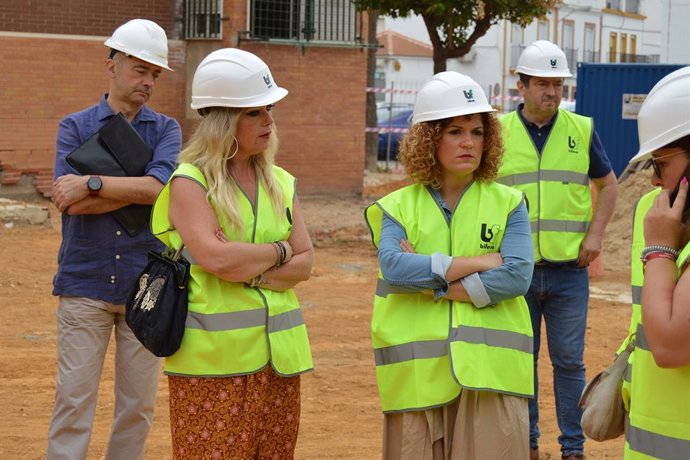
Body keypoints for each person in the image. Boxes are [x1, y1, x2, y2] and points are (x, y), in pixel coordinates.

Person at [149, 48, 314, 459]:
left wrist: (251, 265)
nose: (269, 121)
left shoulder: (281, 181)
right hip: (211, 367)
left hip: (278, 362)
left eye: (268, 109)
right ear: (224, 120)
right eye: (254, 113)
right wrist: (280, 250)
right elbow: (217, 259)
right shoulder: (190, 181)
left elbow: (307, 261)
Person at [364, 71, 535, 459]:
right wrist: (478, 262)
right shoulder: (396, 206)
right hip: (417, 379)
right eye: (455, 131)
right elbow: (394, 267)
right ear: (430, 138)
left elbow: (516, 275)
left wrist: (435, 285)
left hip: (491, 375)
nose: (469, 142)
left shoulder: (510, 202)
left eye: (477, 132)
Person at [47, 19, 181, 460]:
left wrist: (93, 184)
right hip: (84, 281)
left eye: (155, 74)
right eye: (140, 70)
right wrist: (134, 189)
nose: (148, 81)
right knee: (73, 402)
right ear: (112, 65)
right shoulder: (75, 126)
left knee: (138, 407)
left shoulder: (166, 130)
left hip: (146, 288)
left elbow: (161, 192)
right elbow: (69, 202)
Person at [496, 40, 618, 460]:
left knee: (569, 364)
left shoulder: (580, 129)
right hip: (516, 273)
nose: (552, 91)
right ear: (522, 85)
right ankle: (527, 445)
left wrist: (596, 235)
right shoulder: (497, 132)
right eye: (543, 83)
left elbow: (609, 184)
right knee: (520, 362)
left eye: (558, 84)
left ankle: (572, 449)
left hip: (570, 270)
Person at [622, 66, 690, 459]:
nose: (652, 181)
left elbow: (668, 345)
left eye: (660, 164)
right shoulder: (658, 212)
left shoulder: (659, 228)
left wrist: (662, 250)